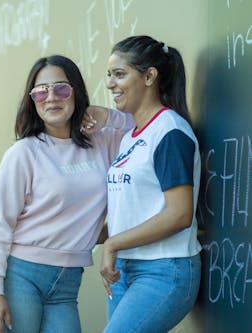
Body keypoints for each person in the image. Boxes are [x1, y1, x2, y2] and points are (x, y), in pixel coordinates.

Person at [0, 55, 134, 333]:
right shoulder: (23, 153)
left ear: (76, 92)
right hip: (20, 276)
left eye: (61, 88)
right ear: (33, 100)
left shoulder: (102, 143)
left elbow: (147, 124)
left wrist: (106, 115)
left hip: (66, 284)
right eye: (41, 91)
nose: (51, 98)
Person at [100, 35, 202, 333]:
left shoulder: (169, 131)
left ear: (149, 76)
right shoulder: (129, 137)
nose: (110, 84)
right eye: (109, 75)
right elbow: (135, 212)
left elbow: (180, 214)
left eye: (119, 74)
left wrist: (113, 243)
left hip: (164, 271)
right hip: (123, 271)